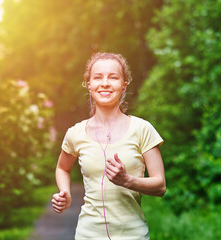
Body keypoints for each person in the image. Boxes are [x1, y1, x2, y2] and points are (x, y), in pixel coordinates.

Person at [52, 52, 166, 240]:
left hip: (133, 235)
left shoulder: (142, 129)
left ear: (124, 85)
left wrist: (127, 180)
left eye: (113, 77)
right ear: (89, 86)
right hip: (87, 234)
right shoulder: (75, 133)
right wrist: (66, 193)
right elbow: (62, 168)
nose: (105, 83)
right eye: (98, 77)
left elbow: (160, 185)